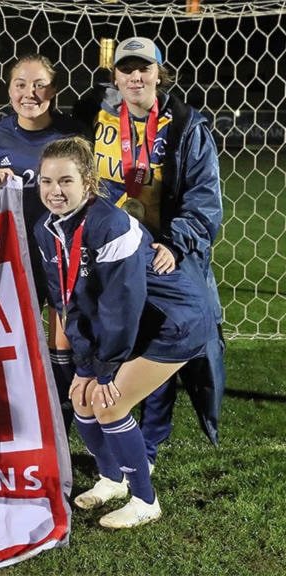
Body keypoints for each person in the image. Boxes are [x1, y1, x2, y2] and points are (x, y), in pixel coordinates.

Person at [34, 136, 216, 528]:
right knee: (80, 398)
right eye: (46, 181)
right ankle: (111, 478)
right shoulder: (45, 229)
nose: (54, 191)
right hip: (134, 324)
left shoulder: (112, 224)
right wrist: (84, 366)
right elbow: (68, 302)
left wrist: (104, 369)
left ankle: (145, 500)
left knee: (108, 403)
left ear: (87, 182)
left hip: (174, 323)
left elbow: (122, 305)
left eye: (65, 181)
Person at [73, 37, 225, 467]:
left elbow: (204, 200)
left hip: (159, 254)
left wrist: (175, 245)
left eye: (144, 68)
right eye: (127, 69)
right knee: (110, 340)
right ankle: (108, 437)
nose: (135, 76)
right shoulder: (92, 116)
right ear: (114, 76)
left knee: (160, 348)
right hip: (107, 254)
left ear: (160, 73)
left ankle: (150, 448)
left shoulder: (187, 126)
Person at [0, 54, 82, 432]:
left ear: (53, 90)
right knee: (9, 341)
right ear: (9, 89)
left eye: (39, 84)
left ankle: (68, 420)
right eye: (21, 84)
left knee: (63, 343)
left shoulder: (73, 135)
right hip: (12, 257)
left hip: (61, 255)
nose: (30, 93)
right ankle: (14, 421)